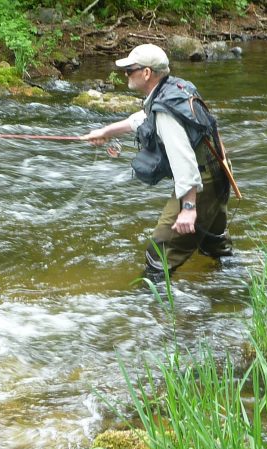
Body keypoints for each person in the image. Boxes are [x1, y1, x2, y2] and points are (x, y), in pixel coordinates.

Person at [77, 44, 233, 280]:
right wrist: (107, 131)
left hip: (201, 179)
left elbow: (184, 159)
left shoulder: (165, 112)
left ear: (147, 73)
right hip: (219, 168)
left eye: (130, 70)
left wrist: (189, 208)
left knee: (160, 250)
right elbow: (142, 118)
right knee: (213, 241)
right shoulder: (175, 88)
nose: (126, 74)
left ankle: (149, 303)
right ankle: (234, 284)